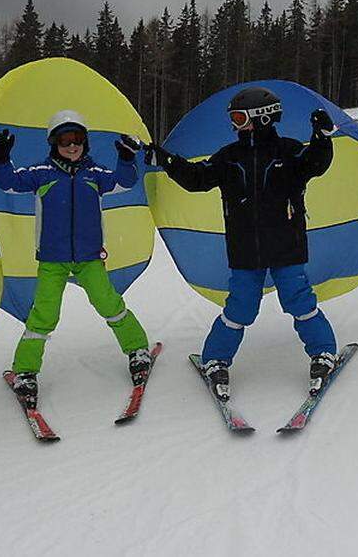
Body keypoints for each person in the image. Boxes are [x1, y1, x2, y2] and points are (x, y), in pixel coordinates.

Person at [144, 86, 339, 400]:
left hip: (286, 245)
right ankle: (216, 358)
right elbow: (197, 178)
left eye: (238, 118)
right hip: (246, 249)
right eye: (232, 119)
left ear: (261, 118)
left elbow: (315, 163)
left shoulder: (288, 152)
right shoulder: (229, 158)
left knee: (299, 300)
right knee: (240, 308)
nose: (234, 125)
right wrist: (163, 158)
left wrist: (322, 136)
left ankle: (323, 352)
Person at [0, 112, 152, 400]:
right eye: (65, 140)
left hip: (89, 259)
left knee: (109, 304)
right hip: (53, 260)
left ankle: (137, 349)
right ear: (54, 144)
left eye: (77, 140)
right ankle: (25, 371)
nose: (72, 146)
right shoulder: (42, 173)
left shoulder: (95, 175)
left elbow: (124, 183)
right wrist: (1, 158)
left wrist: (126, 158)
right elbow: (8, 183)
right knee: (43, 315)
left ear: (85, 143)